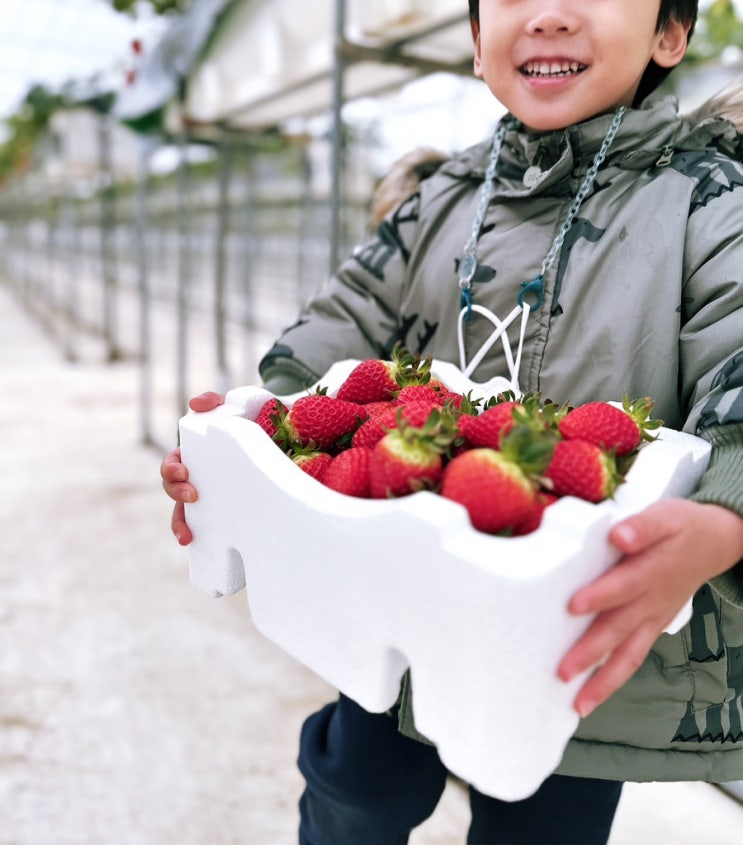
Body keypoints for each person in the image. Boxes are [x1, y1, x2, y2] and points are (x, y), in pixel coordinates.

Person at [161, 1, 743, 842]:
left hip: (572, 617)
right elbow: (346, 316)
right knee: (361, 789)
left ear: (669, 34)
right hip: (404, 587)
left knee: (543, 821)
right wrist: (257, 430)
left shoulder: (710, 203)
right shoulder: (443, 195)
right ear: (476, 44)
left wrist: (722, 513)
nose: (546, 16)